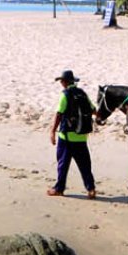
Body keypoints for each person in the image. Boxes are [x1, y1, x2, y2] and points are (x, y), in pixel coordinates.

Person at [48, 69, 96, 198]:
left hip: (67, 136)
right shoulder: (82, 93)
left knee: (63, 163)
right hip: (81, 136)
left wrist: (52, 131)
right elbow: (93, 110)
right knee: (85, 164)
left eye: (61, 81)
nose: (61, 83)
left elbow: (59, 114)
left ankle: (59, 188)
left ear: (64, 82)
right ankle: (91, 189)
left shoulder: (65, 95)